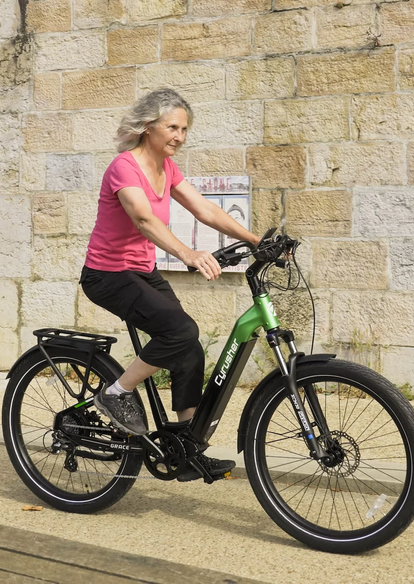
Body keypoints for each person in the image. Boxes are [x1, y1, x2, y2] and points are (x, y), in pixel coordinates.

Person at [80, 89, 260, 482]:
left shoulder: (168, 169)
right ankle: (115, 393)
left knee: (187, 347)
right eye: (172, 127)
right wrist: (188, 254)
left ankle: (188, 447)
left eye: (184, 129)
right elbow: (143, 219)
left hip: (141, 272)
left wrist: (253, 239)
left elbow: (205, 209)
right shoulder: (124, 167)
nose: (179, 136)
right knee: (180, 331)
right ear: (148, 126)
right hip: (107, 274)